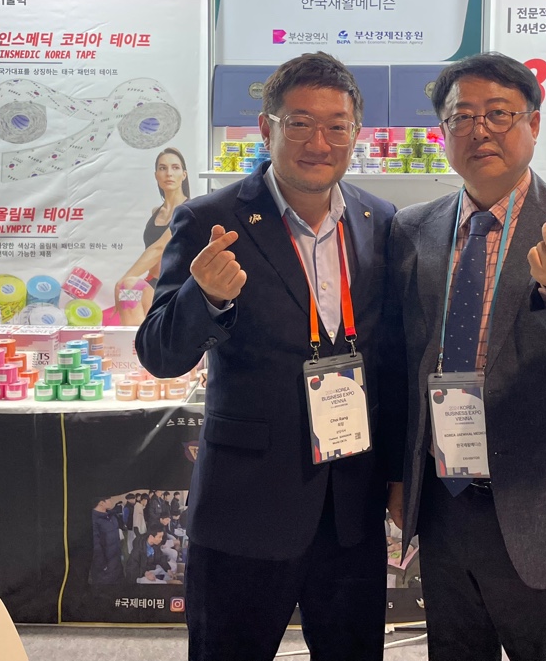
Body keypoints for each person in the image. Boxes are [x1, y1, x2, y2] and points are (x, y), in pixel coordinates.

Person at [137, 52, 400, 661]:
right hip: (246, 505)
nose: (319, 142)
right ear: (266, 127)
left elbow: (388, 357)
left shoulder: (379, 220)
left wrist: (396, 474)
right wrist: (205, 298)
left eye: (337, 126)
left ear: (356, 133)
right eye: (299, 123)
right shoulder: (210, 219)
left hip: (350, 506)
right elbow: (159, 353)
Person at [386, 52, 546, 661]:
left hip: (545, 501)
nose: (480, 130)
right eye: (462, 117)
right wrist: (400, 476)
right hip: (446, 502)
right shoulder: (413, 229)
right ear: (443, 132)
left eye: (499, 113)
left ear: (533, 124)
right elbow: (404, 363)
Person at [115, 148, 191, 327]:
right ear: (156, 175)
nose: (169, 173)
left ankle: (139, 344)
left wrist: (121, 282)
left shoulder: (189, 210)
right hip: (152, 284)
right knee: (129, 289)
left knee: (128, 285)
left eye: (175, 167)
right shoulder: (156, 212)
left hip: (175, 289)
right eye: (163, 168)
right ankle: (136, 343)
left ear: (184, 174)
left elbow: (159, 248)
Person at [89, 497, 124, 586]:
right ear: (101, 503)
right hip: (105, 564)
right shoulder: (94, 520)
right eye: (109, 500)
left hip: (116, 559)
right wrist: (102, 564)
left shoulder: (111, 515)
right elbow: (96, 545)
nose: (111, 501)